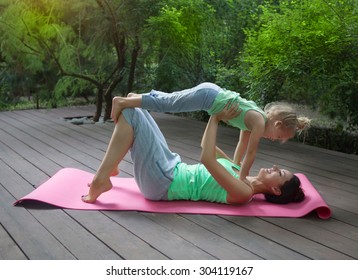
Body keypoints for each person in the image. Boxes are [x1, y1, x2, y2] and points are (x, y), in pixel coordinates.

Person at [82, 103, 305, 205]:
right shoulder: (239, 171)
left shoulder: (243, 192)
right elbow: (208, 147)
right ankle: (112, 166)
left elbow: (206, 158)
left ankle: (101, 179)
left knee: (130, 112)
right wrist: (242, 120)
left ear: (275, 189)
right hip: (171, 166)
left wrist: (215, 117)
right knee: (136, 103)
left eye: (280, 172)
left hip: (162, 183)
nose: (275, 167)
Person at [110, 82, 311, 182]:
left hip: (211, 94)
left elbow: (242, 146)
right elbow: (251, 152)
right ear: (277, 125)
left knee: (172, 99)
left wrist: (235, 166)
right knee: (170, 103)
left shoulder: (254, 120)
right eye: (278, 137)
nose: (273, 140)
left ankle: (136, 97)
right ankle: (123, 101)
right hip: (209, 97)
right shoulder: (258, 122)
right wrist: (241, 178)